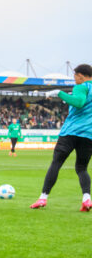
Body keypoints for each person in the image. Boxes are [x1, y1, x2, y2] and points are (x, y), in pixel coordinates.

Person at [30, 64, 92, 211]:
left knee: (56, 163)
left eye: (75, 76)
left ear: (80, 76)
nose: (74, 79)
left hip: (70, 132)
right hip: (89, 135)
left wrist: (59, 93)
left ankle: (43, 198)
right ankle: (87, 199)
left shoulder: (81, 86)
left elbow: (79, 102)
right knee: (82, 168)